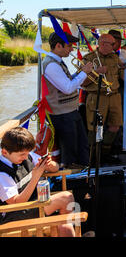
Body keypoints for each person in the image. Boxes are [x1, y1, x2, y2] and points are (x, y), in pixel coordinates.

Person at [0, 127, 77, 237]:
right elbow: (17, 202)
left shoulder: (27, 156)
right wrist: (36, 176)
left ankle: (63, 226)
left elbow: (56, 168)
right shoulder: (2, 174)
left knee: (65, 222)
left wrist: (50, 165)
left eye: (27, 153)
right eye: (22, 154)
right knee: (65, 198)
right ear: (4, 152)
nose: (26, 157)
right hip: (12, 215)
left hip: (30, 205)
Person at [43, 32, 93, 169]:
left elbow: (66, 81)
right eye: (69, 46)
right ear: (58, 46)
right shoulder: (51, 65)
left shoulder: (57, 62)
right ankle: (73, 178)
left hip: (69, 111)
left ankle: (83, 168)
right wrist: (84, 72)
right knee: (70, 151)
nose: (71, 49)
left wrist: (79, 73)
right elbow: (67, 88)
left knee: (80, 145)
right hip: (62, 114)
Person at [82, 34, 125, 164]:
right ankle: (92, 157)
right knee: (94, 129)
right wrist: (97, 73)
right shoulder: (89, 58)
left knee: (115, 126)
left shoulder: (116, 58)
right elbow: (82, 83)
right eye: (113, 44)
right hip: (97, 97)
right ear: (103, 43)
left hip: (114, 96)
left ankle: (104, 154)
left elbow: (124, 76)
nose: (115, 47)